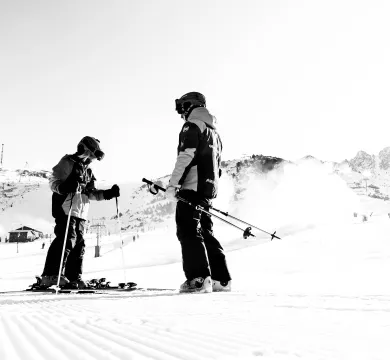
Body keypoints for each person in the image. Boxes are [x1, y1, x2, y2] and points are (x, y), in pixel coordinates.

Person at [166, 91, 232, 293]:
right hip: (207, 191)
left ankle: (198, 278)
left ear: (189, 105)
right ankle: (221, 279)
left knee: (188, 231)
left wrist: (173, 185)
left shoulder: (192, 126)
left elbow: (186, 156)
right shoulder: (215, 132)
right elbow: (217, 166)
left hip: (191, 188)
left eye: (182, 107)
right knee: (205, 231)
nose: (181, 113)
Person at [40, 136, 120, 289]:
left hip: (80, 212)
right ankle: (51, 275)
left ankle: (73, 276)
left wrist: (109, 193)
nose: (90, 159)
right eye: (89, 154)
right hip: (65, 208)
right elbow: (53, 181)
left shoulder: (88, 171)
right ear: (82, 149)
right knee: (66, 239)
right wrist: (64, 187)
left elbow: (91, 193)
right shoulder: (67, 162)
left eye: (92, 156)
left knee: (79, 244)